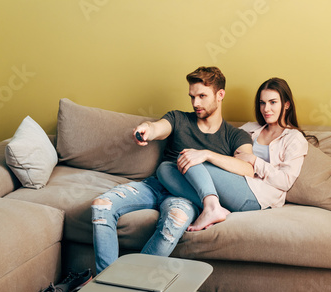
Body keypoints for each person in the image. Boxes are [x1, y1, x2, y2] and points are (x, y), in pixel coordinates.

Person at [91, 66, 254, 274]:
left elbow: (248, 169)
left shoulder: (236, 136)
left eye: (202, 96)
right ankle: (105, 282)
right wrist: (147, 129)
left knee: (175, 221)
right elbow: (158, 128)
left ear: (220, 95)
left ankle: (129, 282)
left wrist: (206, 154)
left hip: (186, 197)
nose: (196, 103)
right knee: (101, 206)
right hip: (155, 185)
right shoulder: (179, 118)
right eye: (192, 97)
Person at [156, 77, 309, 231]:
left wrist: (254, 161)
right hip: (231, 184)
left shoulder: (294, 138)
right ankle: (213, 208)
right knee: (165, 169)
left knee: (191, 158)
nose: (266, 109)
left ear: (286, 104)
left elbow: (286, 181)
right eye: (262, 103)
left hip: (258, 196)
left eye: (273, 102)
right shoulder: (250, 129)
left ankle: (211, 208)